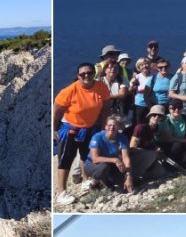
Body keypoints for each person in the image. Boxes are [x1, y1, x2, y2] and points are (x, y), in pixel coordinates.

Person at [53, 62, 110, 205]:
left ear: (94, 73)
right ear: (78, 76)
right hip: (70, 128)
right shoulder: (70, 90)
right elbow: (57, 109)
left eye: (90, 72)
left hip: (89, 127)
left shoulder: (101, 88)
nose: (87, 75)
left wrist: (103, 128)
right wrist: (53, 129)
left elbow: (106, 108)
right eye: (83, 73)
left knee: (86, 155)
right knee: (66, 158)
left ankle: (86, 181)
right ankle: (61, 192)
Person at [86, 114, 148, 193]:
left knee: (126, 182)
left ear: (118, 127)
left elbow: (126, 157)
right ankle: (95, 182)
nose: (112, 127)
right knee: (104, 167)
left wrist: (128, 175)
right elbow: (95, 159)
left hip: (113, 165)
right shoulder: (97, 137)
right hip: (93, 165)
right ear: (105, 126)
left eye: (115, 125)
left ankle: (110, 181)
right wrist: (115, 160)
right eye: (109, 125)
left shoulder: (122, 138)